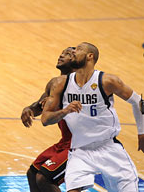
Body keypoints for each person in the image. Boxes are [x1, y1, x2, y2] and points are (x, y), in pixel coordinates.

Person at [41, 42, 144, 192]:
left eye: (78, 49)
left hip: (109, 148)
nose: (74, 51)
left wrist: (142, 133)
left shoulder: (107, 81)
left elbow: (138, 102)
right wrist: (65, 111)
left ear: (90, 56)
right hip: (80, 150)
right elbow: (45, 119)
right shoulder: (61, 84)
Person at [21, 47, 75, 192]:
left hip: (79, 143)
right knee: (32, 173)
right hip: (65, 141)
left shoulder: (80, 84)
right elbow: (39, 105)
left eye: (68, 54)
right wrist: (30, 109)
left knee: (44, 178)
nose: (62, 55)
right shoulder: (55, 83)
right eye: (62, 52)